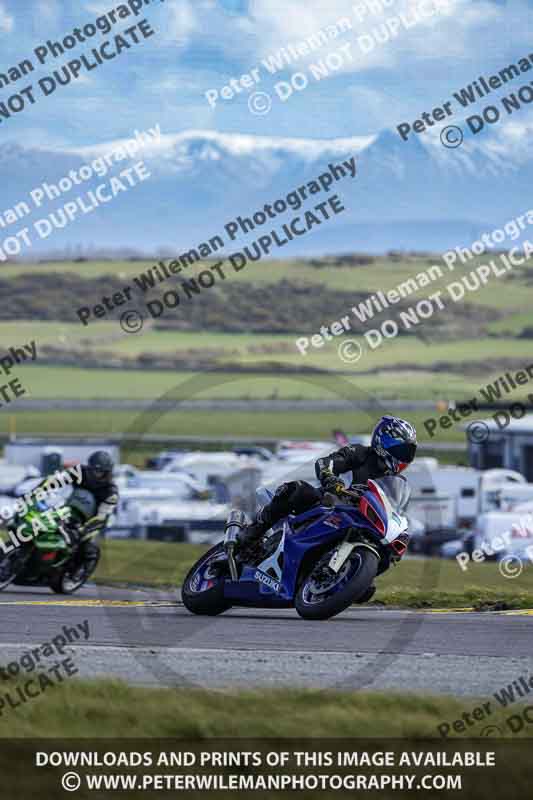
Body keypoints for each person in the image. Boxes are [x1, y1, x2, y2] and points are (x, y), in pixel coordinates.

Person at [239, 416, 417, 548]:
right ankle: (254, 532)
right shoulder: (361, 453)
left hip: (362, 522)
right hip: (330, 504)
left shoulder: (397, 482)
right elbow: (326, 463)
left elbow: (396, 509)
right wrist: (330, 478)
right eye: (401, 450)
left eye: (408, 452)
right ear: (383, 442)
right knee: (296, 489)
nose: (405, 457)